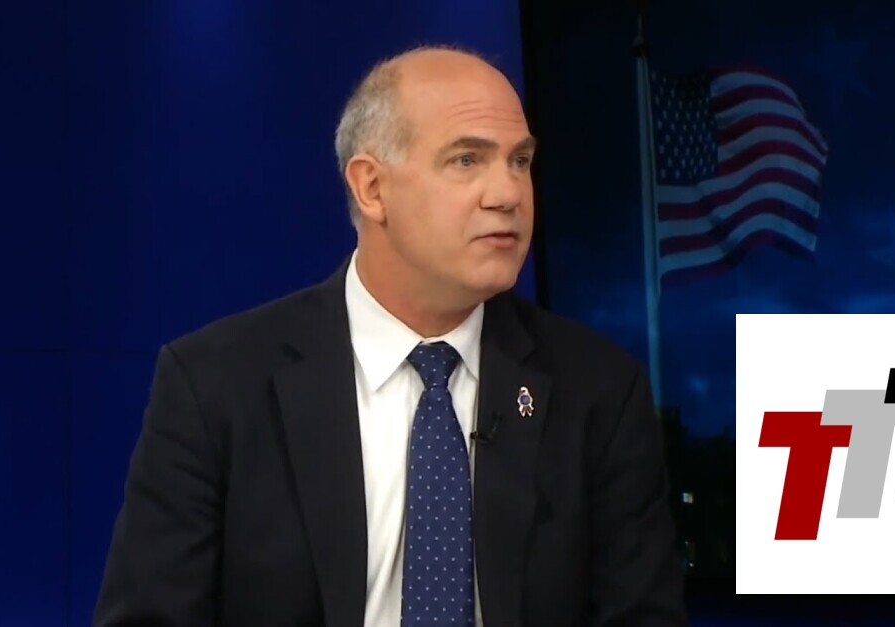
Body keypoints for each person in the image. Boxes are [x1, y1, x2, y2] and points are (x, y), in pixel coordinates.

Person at [94, 45, 687, 626]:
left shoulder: (598, 390)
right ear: (372, 188)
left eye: (520, 161)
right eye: (466, 160)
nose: (508, 194)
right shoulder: (215, 384)